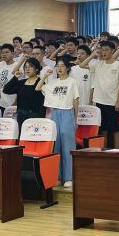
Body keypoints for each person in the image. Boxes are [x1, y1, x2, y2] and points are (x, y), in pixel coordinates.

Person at [39, 57, 79, 188]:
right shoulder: (53, 82)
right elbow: (38, 88)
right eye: (58, 66)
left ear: (67, 68)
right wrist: (45, 76)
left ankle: (69, 177)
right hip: (55, 113)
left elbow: (75, 100)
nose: (59, 68)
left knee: (68, 146)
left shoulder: (72, 81)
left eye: (62, 66)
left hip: (67, 112)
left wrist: (75, 118)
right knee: (56, 146)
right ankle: (57, 176)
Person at [80, 40, 119, 149]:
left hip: (112, 102)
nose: (104, 52)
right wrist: (93, 55)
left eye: (106, 50)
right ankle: (103, 150)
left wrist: (118, 101)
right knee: (103, 129)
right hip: (99, 101)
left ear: (113, 51)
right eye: (102, 50)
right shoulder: (98, 64)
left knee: (115, 130)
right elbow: (82, 65)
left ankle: (116, 152)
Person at [3, 56, 49, 128]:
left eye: (30, 67)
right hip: (21, 116)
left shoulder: (40, 82)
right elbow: (6, 90)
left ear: (37, 69)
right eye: (26, 67)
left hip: (35, 117)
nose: (27, 69)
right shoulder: (22, 82)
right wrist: (15, 77)